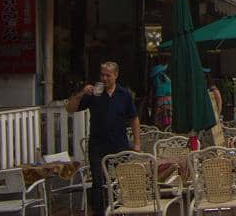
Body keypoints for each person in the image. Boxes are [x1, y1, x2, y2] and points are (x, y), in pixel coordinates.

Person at [65, 61, 140, 216]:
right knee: (98, 182)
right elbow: (70, 109)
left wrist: (137, 142)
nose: (104, 78)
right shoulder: (96, 91)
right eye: (102, 75)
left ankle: (121, 210)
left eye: (108, 75)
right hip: (97, 144)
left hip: (119, 143)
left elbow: (133, 118)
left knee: (121, 180)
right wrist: (81, 94)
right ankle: (99, 213)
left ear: (116, 75)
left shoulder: (124, 94)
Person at [150, 62, 172, 129]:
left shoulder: (157, 77)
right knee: (166, 115)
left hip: (162, 98)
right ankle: (166, 128)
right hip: (166, 98)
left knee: (162, 115)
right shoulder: (162, 76)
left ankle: (163, 128)